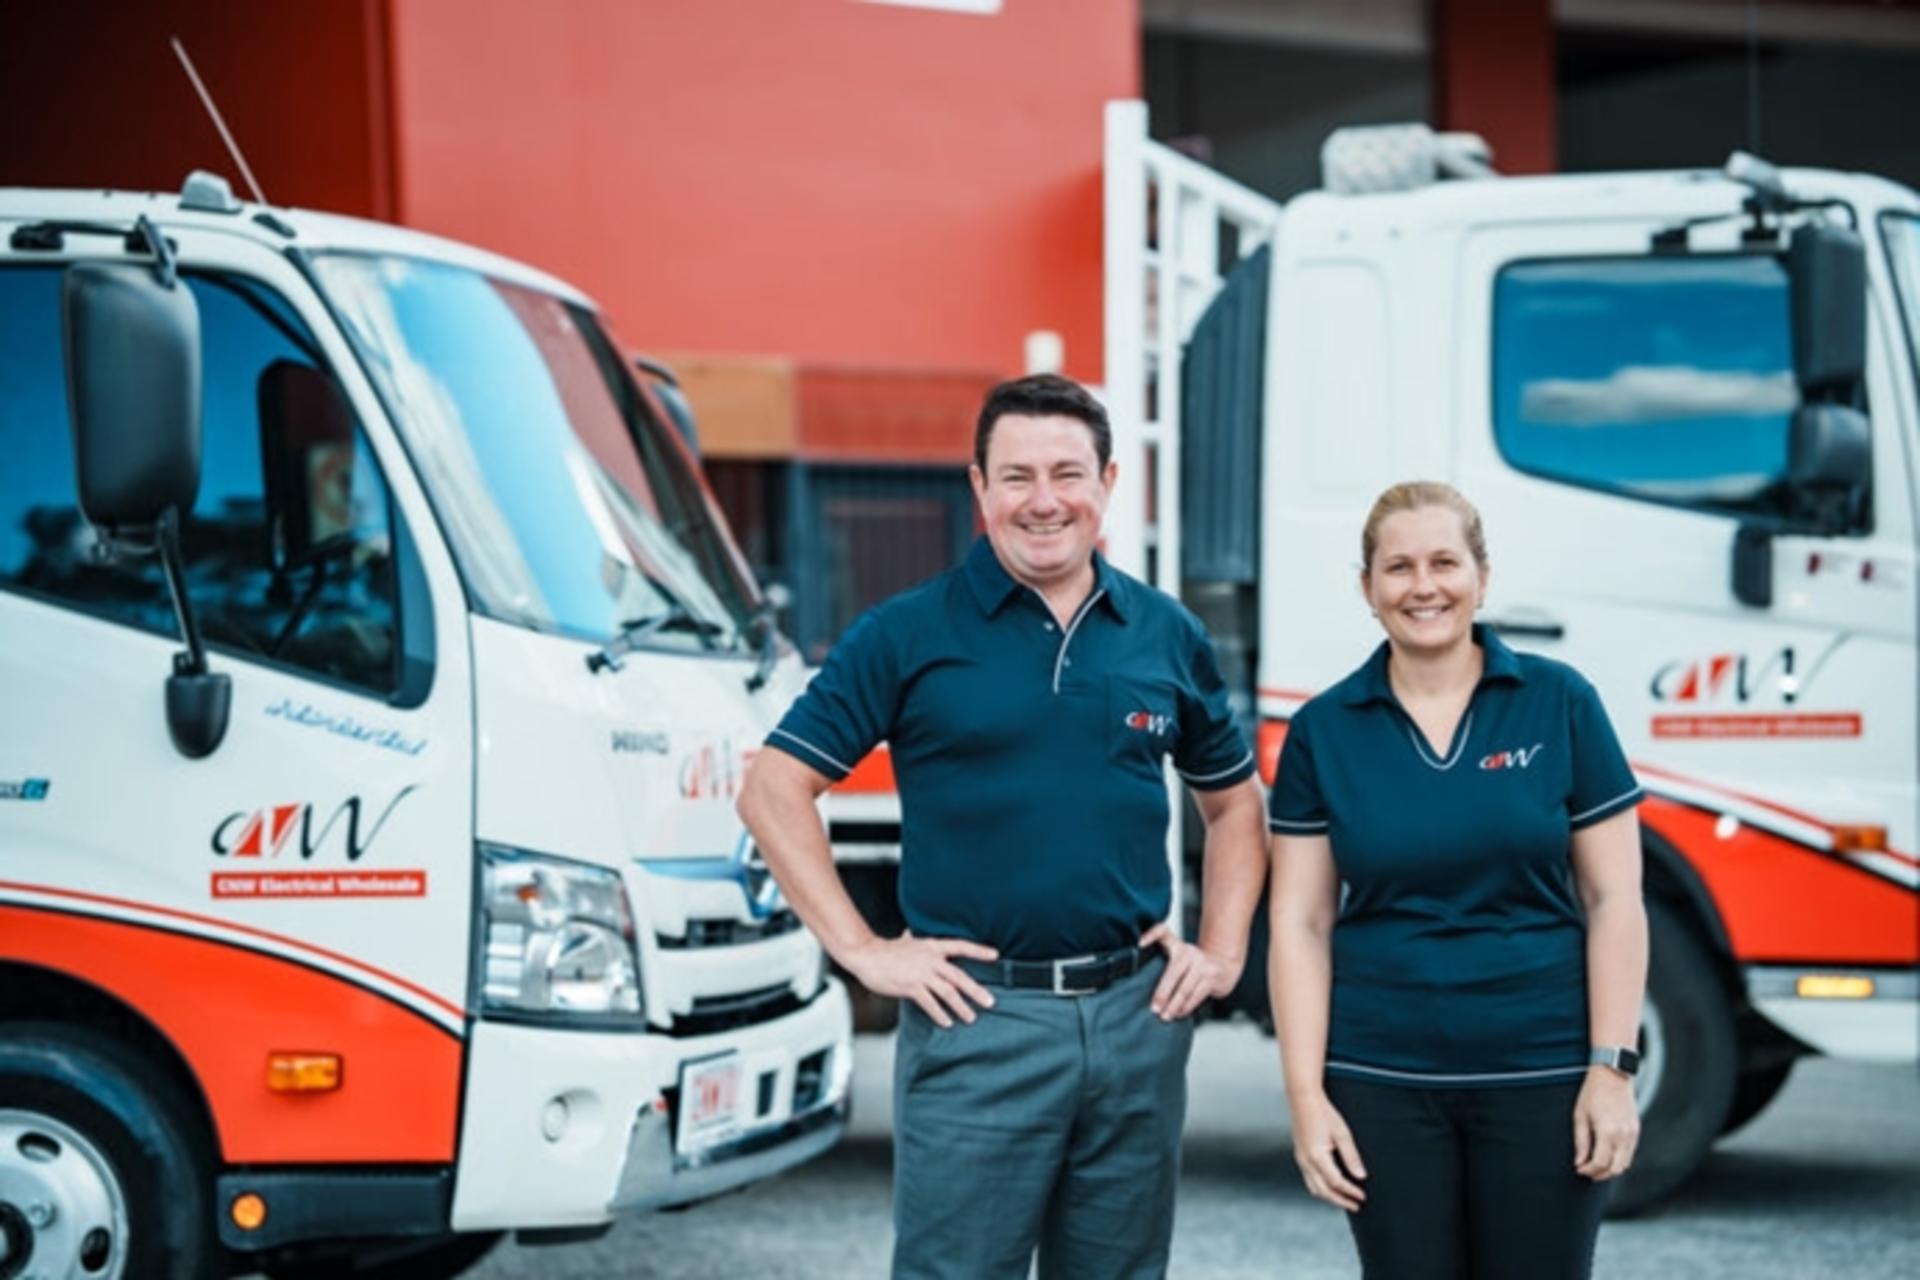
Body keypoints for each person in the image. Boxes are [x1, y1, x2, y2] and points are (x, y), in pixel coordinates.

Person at [737, 373, 1267, 1280]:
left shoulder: (1163, 633)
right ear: (978, 488)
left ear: (1106, 481)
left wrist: (1218, 954)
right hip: (981, 1018)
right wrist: (863, 951)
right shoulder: (906, 633)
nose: (1045, 500)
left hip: (1137, 1019)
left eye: (1068, 473)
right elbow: (773, 790)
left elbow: (1233, 804)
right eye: (1016, 476)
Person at [1267, 481, 1647, 1280]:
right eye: (1398, 567)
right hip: (1382, 1081)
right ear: (1367, 589)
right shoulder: (1323, 731)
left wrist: (1611, 1071)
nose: (1424, 586)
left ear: (1482, 575)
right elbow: (1300, 925)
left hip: (1544, 1074)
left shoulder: (1560, 702)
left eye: (1445, 562)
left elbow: (1615, 900)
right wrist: (1307, 1098)